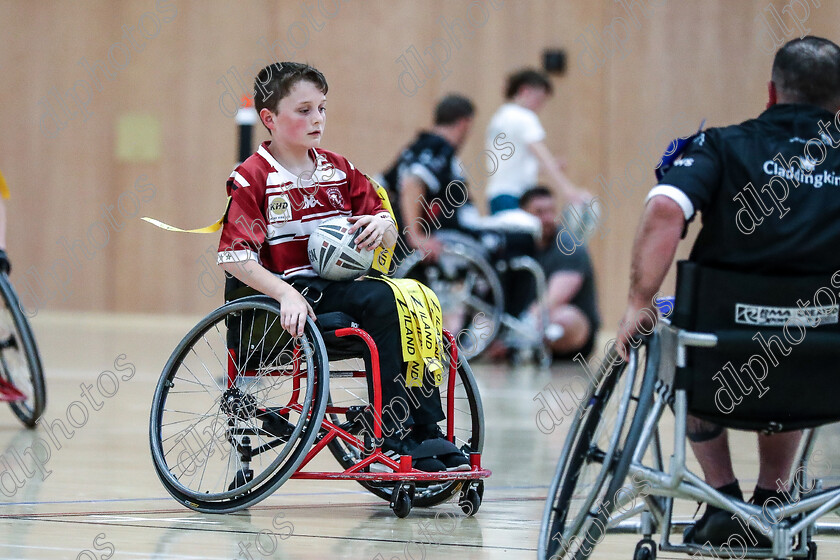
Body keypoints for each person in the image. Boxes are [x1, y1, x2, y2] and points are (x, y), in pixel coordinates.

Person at [616, 36, 840, 547]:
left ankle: (722, 498)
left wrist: (637, 304)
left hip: (717, 367)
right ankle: (771, 499)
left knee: (681, 335)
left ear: (771, 91)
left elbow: (666, 210)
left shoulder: (719, 146)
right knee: (796, 341)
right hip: (823, 369)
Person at [216, 62, 468, 472]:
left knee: (416, 298)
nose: (317, 119)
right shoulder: (253, 178)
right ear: (269, 119)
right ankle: (396, 431)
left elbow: (388, 228)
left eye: (322, 108)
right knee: (387, 299)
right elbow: (235, 257)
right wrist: (284, 294)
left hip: (344, 287)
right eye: (304, 110)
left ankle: (425, 430)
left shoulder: (339, 168)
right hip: (293, 295)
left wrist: (381, 223)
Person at [380, 94, 478, 263]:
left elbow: (380, 187)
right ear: (464, 123)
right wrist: (415, 235)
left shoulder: (415, 148)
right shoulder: (440, 148)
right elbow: (412, 182)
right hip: (447, 238)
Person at [485, 68, 588, 214]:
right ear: (525, 91)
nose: (541, 106)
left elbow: (511, 163)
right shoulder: (525, 117)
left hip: (496, 195)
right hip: (516, 196)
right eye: (539, 99)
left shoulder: (499, 117)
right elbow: (542, 155)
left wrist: (546, 167)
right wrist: (569, 190)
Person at [519, 187, 600, 359]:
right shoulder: (517, 247)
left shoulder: (569, 246)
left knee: (563, 318)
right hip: (524, 323)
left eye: (551, 211)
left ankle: (524, 347)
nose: (548, 218)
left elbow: (553, 300)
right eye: (539, 212)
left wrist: (519, 330)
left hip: (569, 336)